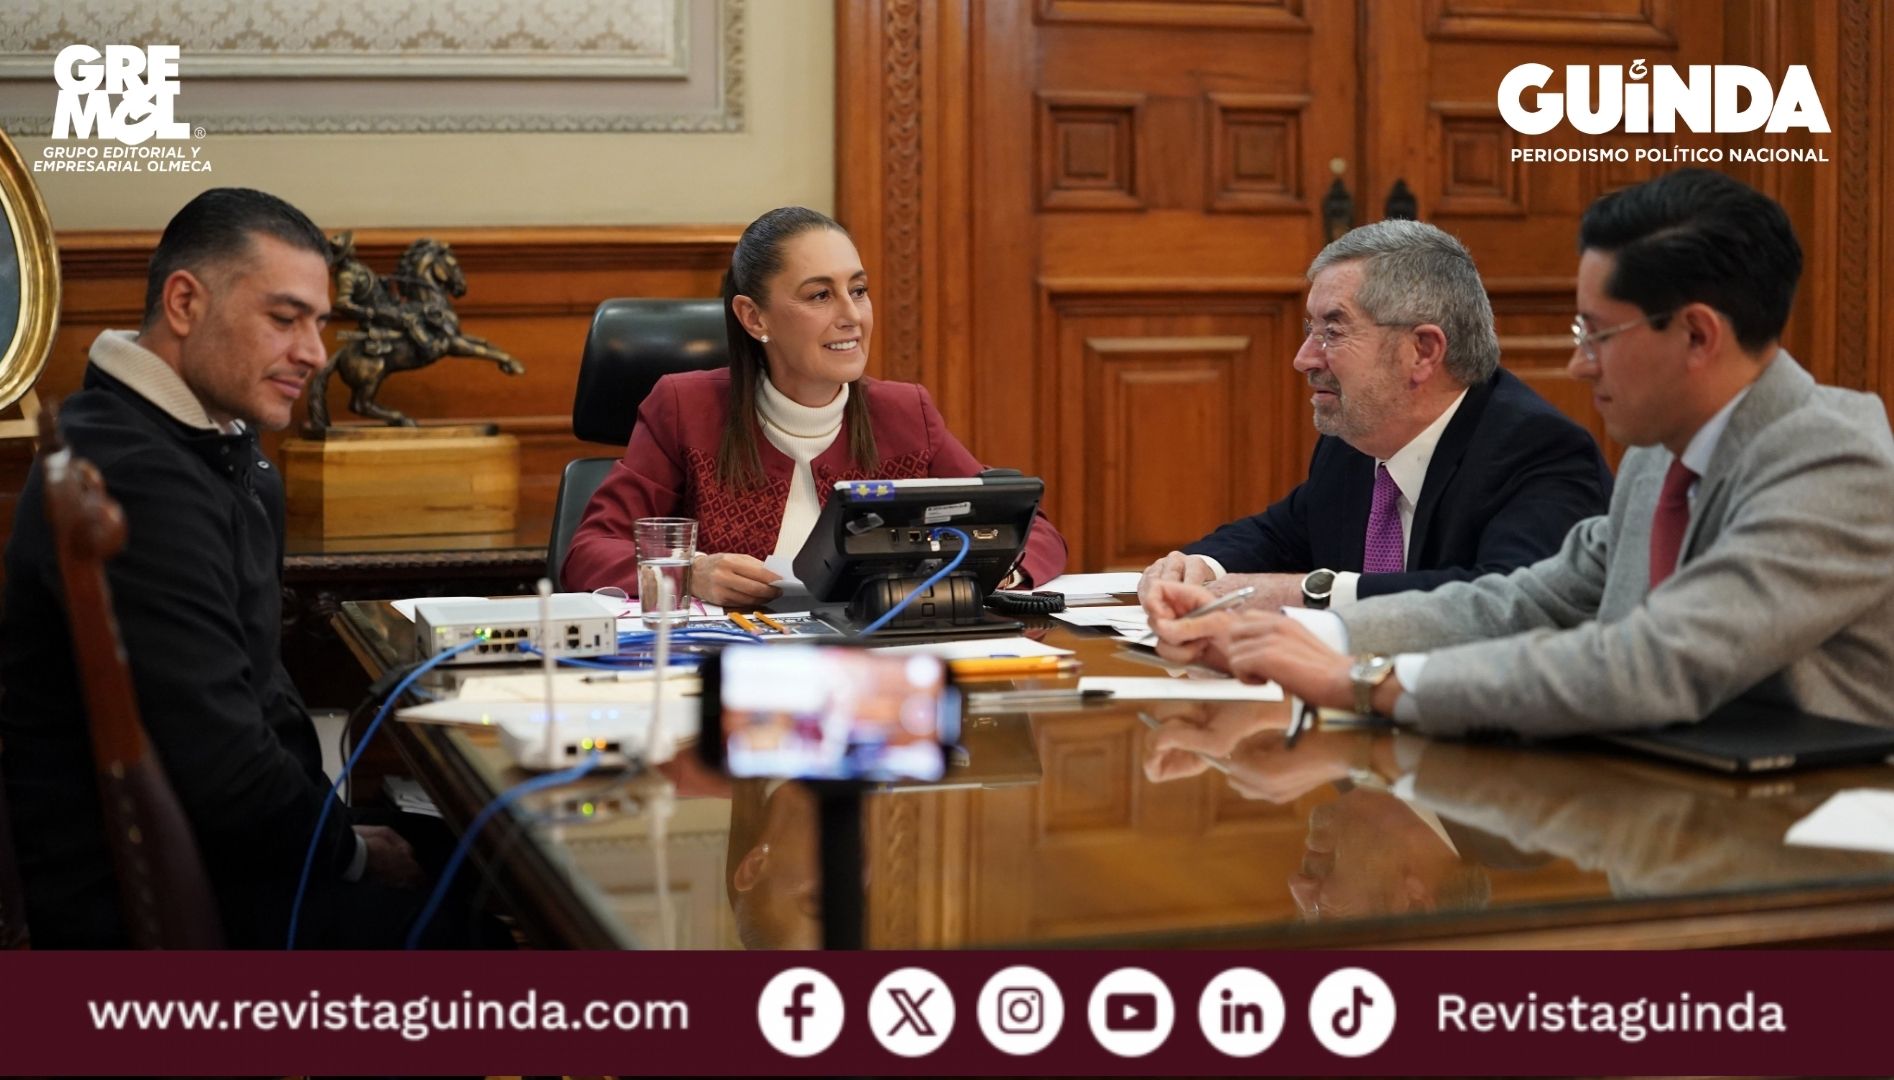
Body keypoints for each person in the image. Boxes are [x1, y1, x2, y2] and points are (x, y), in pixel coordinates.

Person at [1151, 169, 1894, 737]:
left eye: (1597, 336)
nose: (1577, 365)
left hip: (1798, 849)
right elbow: (1526, 601)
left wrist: (1364, 681)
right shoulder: (1658, 458)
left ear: (1697, 335)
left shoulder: (1834, 462)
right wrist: (1294, 637)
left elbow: (1656, 661)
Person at [0, 188, 487, 948]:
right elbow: (224, 768)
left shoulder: (169, 440)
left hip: (214, 862)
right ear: (185, 303)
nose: (315, 353)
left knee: (480, 856)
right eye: (285, 319)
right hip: (159, 919)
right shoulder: (142, 477)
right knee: (499, 912)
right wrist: (352, 855)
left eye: (318, 323)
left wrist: (338, 839)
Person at [563, 206, 1067, 605]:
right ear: (754, 317)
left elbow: (1030, 531)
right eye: (820, 296)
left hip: (874, 672)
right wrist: (689, 574)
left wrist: (1002, 570)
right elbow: (588, 553)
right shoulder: (685, 408)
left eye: (858, 290)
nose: (852, 316)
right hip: (730, 670)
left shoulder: (905, 413)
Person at [1139, 219, 1610, 613]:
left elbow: (1505, 604)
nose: (1304, 359)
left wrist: (1311, 594)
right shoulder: (1357, 441)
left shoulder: (1539, 453)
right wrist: (1199, 567)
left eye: (1333, 331)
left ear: (1422, 350)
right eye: (1310, 329)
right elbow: (1281, 534)